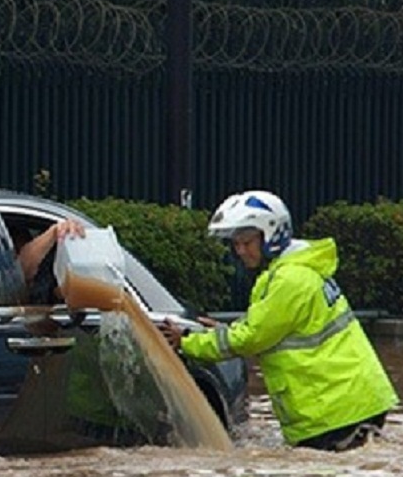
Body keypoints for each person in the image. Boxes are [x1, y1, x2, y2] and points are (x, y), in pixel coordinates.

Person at [159, 190, 399, 451]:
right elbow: (267, 327)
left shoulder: (289, 280)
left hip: (335, 410)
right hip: (347, 404)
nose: (240, 250)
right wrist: (226, 331)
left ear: (271, 235)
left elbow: (252, 338)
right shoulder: (294, 272)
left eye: (247, 242)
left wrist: (185, 341)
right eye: (236, 243)